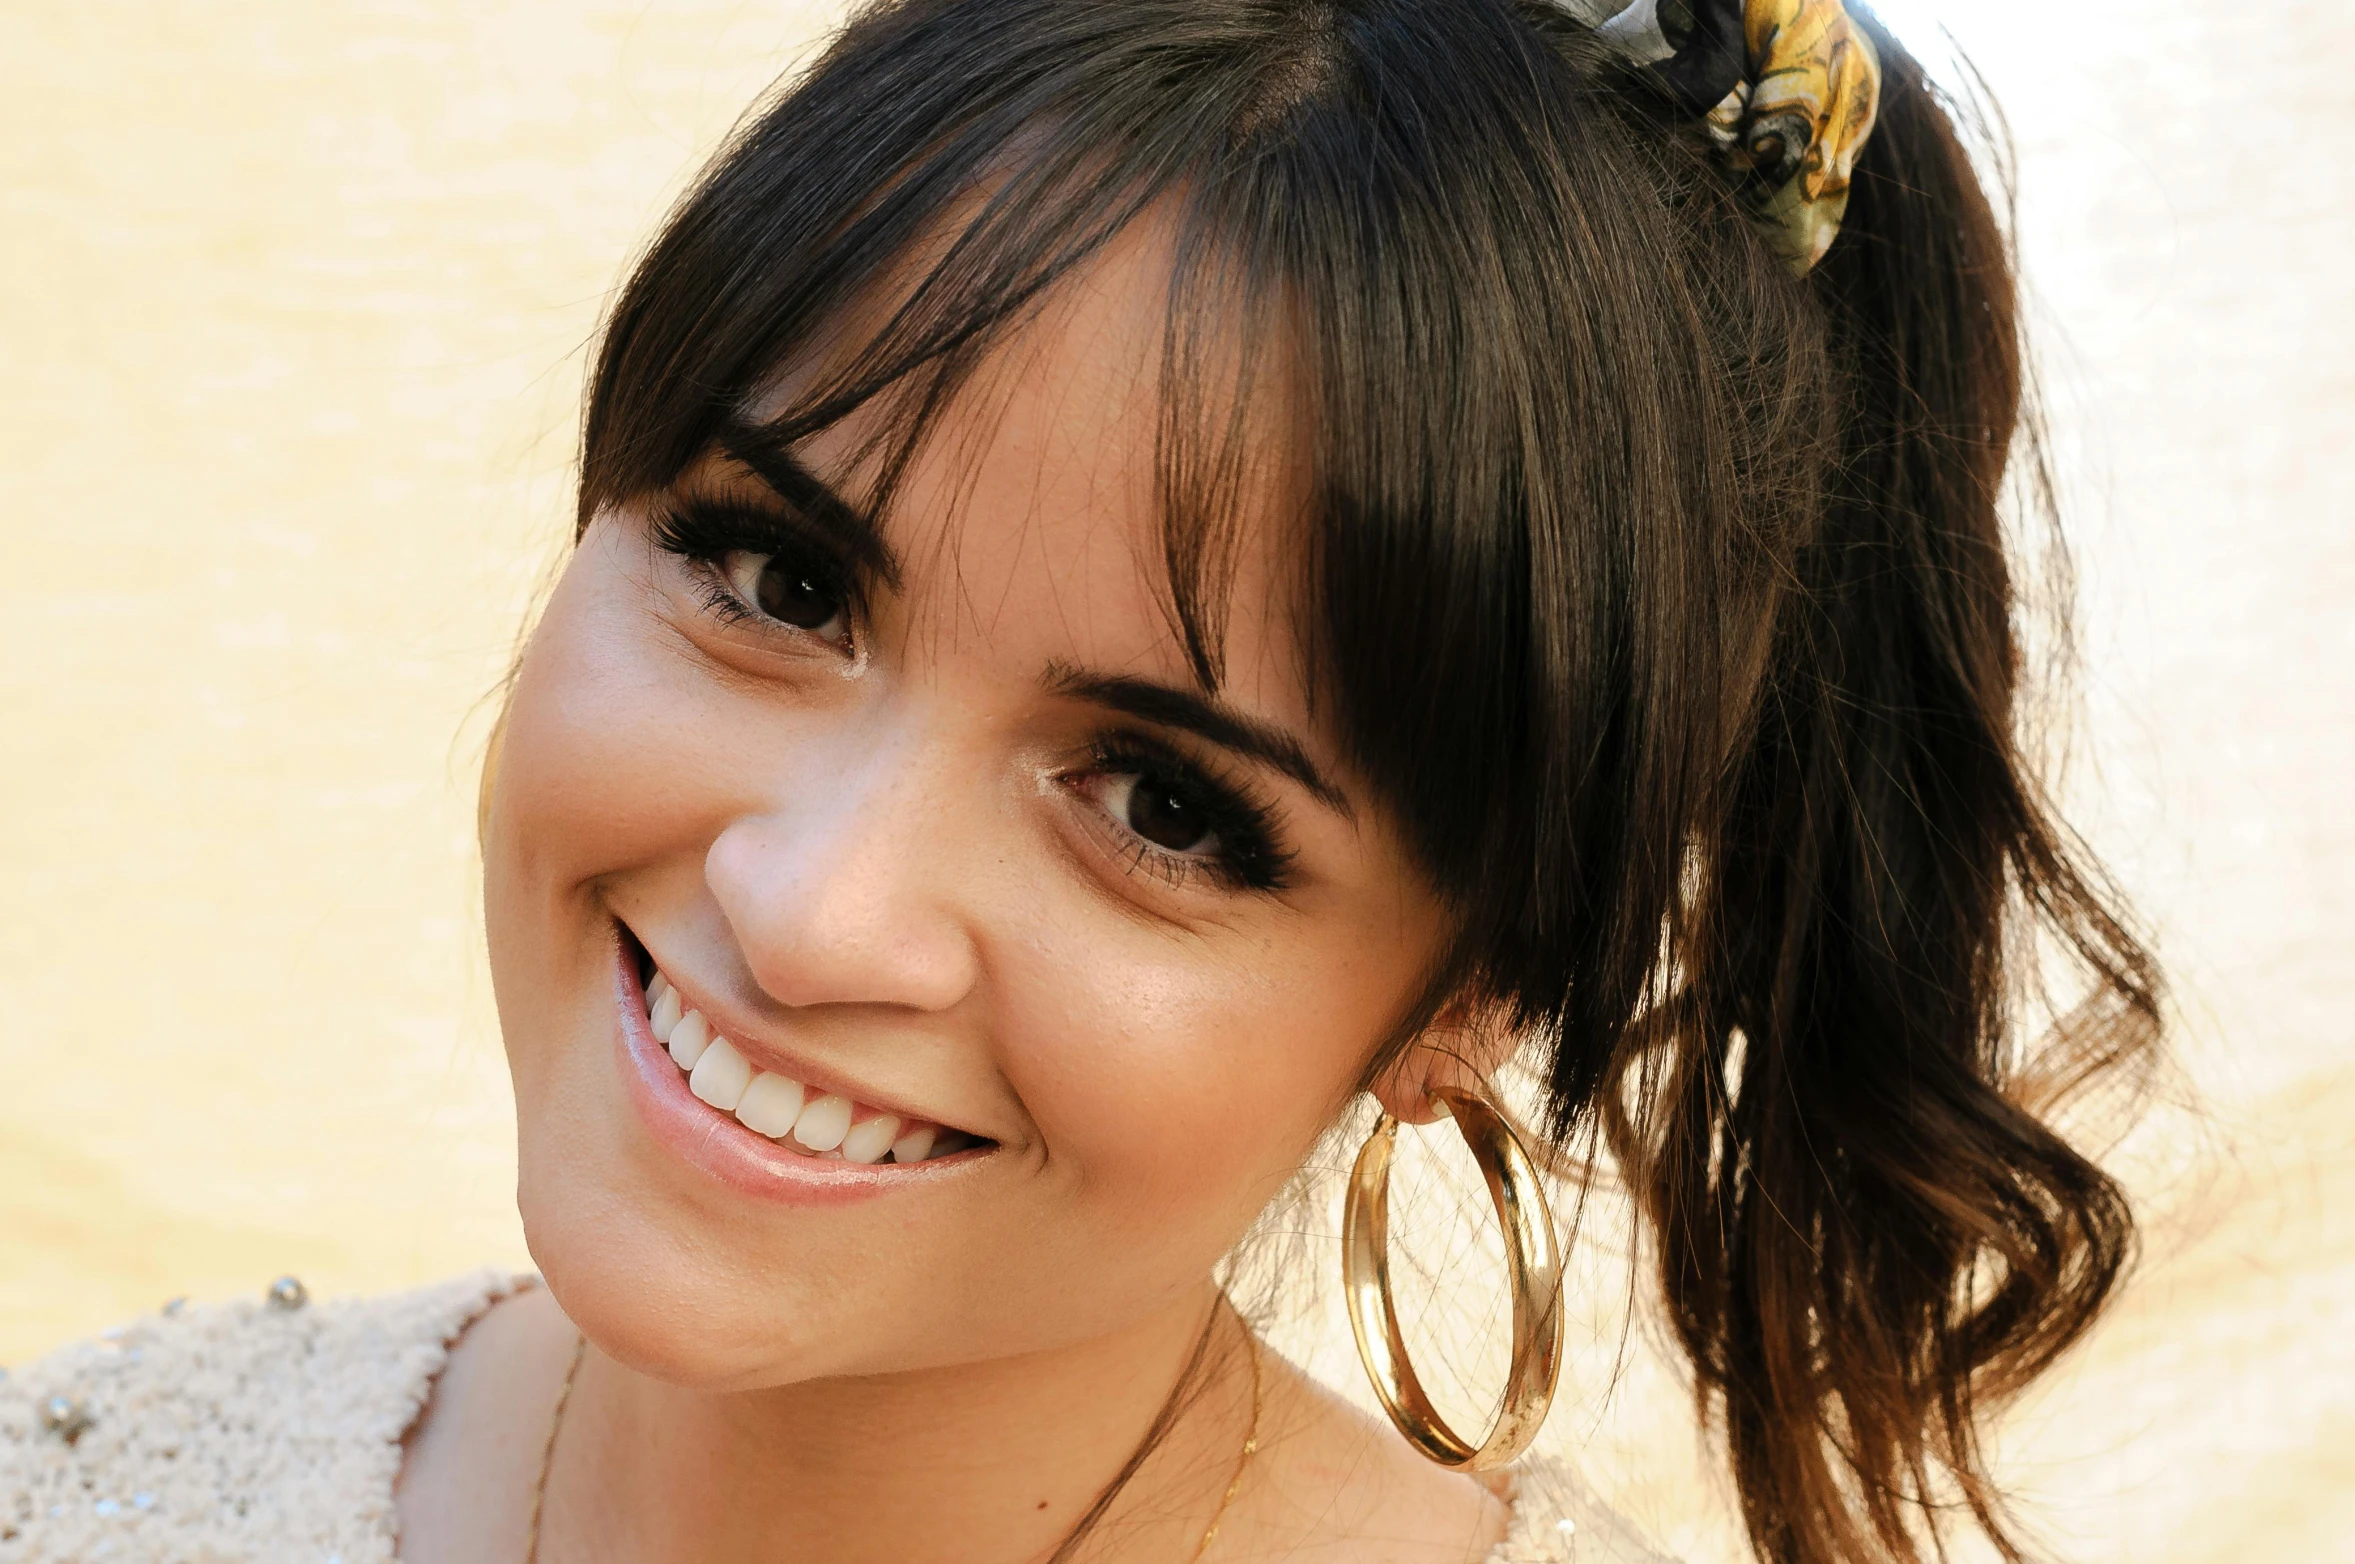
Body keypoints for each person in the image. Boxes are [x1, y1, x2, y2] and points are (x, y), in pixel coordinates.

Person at [0, 2, 2161, 1560]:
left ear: (1470, 996)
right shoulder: (86, 1472)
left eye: (1161, 803)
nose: (810, 902)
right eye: (774, 574)